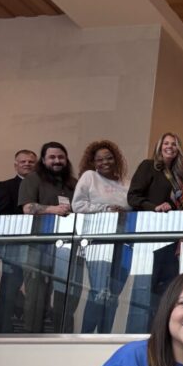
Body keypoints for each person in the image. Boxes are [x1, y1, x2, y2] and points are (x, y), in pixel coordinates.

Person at [72, 140, 131, 333]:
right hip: (98, 241)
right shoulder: (89, 177)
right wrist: (105, 209)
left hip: (123, 242)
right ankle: (86, 337)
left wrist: (124, 211)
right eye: (100, 159)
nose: (105, 162)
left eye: (109, 158)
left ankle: (105, 337)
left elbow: (134, 205)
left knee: (113, 295)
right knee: (99, 291)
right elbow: (77, 205)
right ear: (93, 162)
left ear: (116, 159)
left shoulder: (126, 182)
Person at [19, 141, 79, 333]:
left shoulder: (73, 183)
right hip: (38, 245)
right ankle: (31, 339)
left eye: (61, 157)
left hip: (66, 247)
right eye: (52, 157)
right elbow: (27, 208)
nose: (57, 161)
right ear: (43, 160)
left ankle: (62, 339)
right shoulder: (33, 178)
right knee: (36, 296)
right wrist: (53, 209)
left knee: (65, 296)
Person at [0, 148, 37, 332]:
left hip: (40, 244)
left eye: (31, 162)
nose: (27, 164)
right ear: (16, 165)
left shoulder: (41, 187)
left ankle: (33, 330)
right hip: (15, 244)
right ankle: (3, 329)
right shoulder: (5, 186)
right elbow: (1, 214)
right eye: (23, 161)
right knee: (10, 288)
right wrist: (30, 210)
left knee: (37, 290)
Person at [128, 133, 183, 212]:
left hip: (167, 218)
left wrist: (171, 206)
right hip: (146, 216)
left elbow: (174, 203)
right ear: (160, 148)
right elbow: (132, 197)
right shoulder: (148, 165)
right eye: (166, 143)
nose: (170, 146)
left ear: (178, 149)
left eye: (174, 144)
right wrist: (154, 207)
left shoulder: (177, 175)